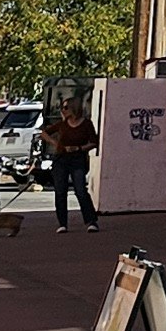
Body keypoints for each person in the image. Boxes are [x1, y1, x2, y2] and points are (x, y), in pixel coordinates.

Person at [39, 87, 101, 232]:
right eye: (63, 108)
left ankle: (91, 221)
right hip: (61, 159)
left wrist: (79, 148)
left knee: (80, 189)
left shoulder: (86, 124)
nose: (63, 110)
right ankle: (62, 223)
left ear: (74, 108)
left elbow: (93, 142)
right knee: (60, 190)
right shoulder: (62, 124)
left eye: (66, 108)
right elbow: (44, 133)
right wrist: (56, 143)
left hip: (77, 159)